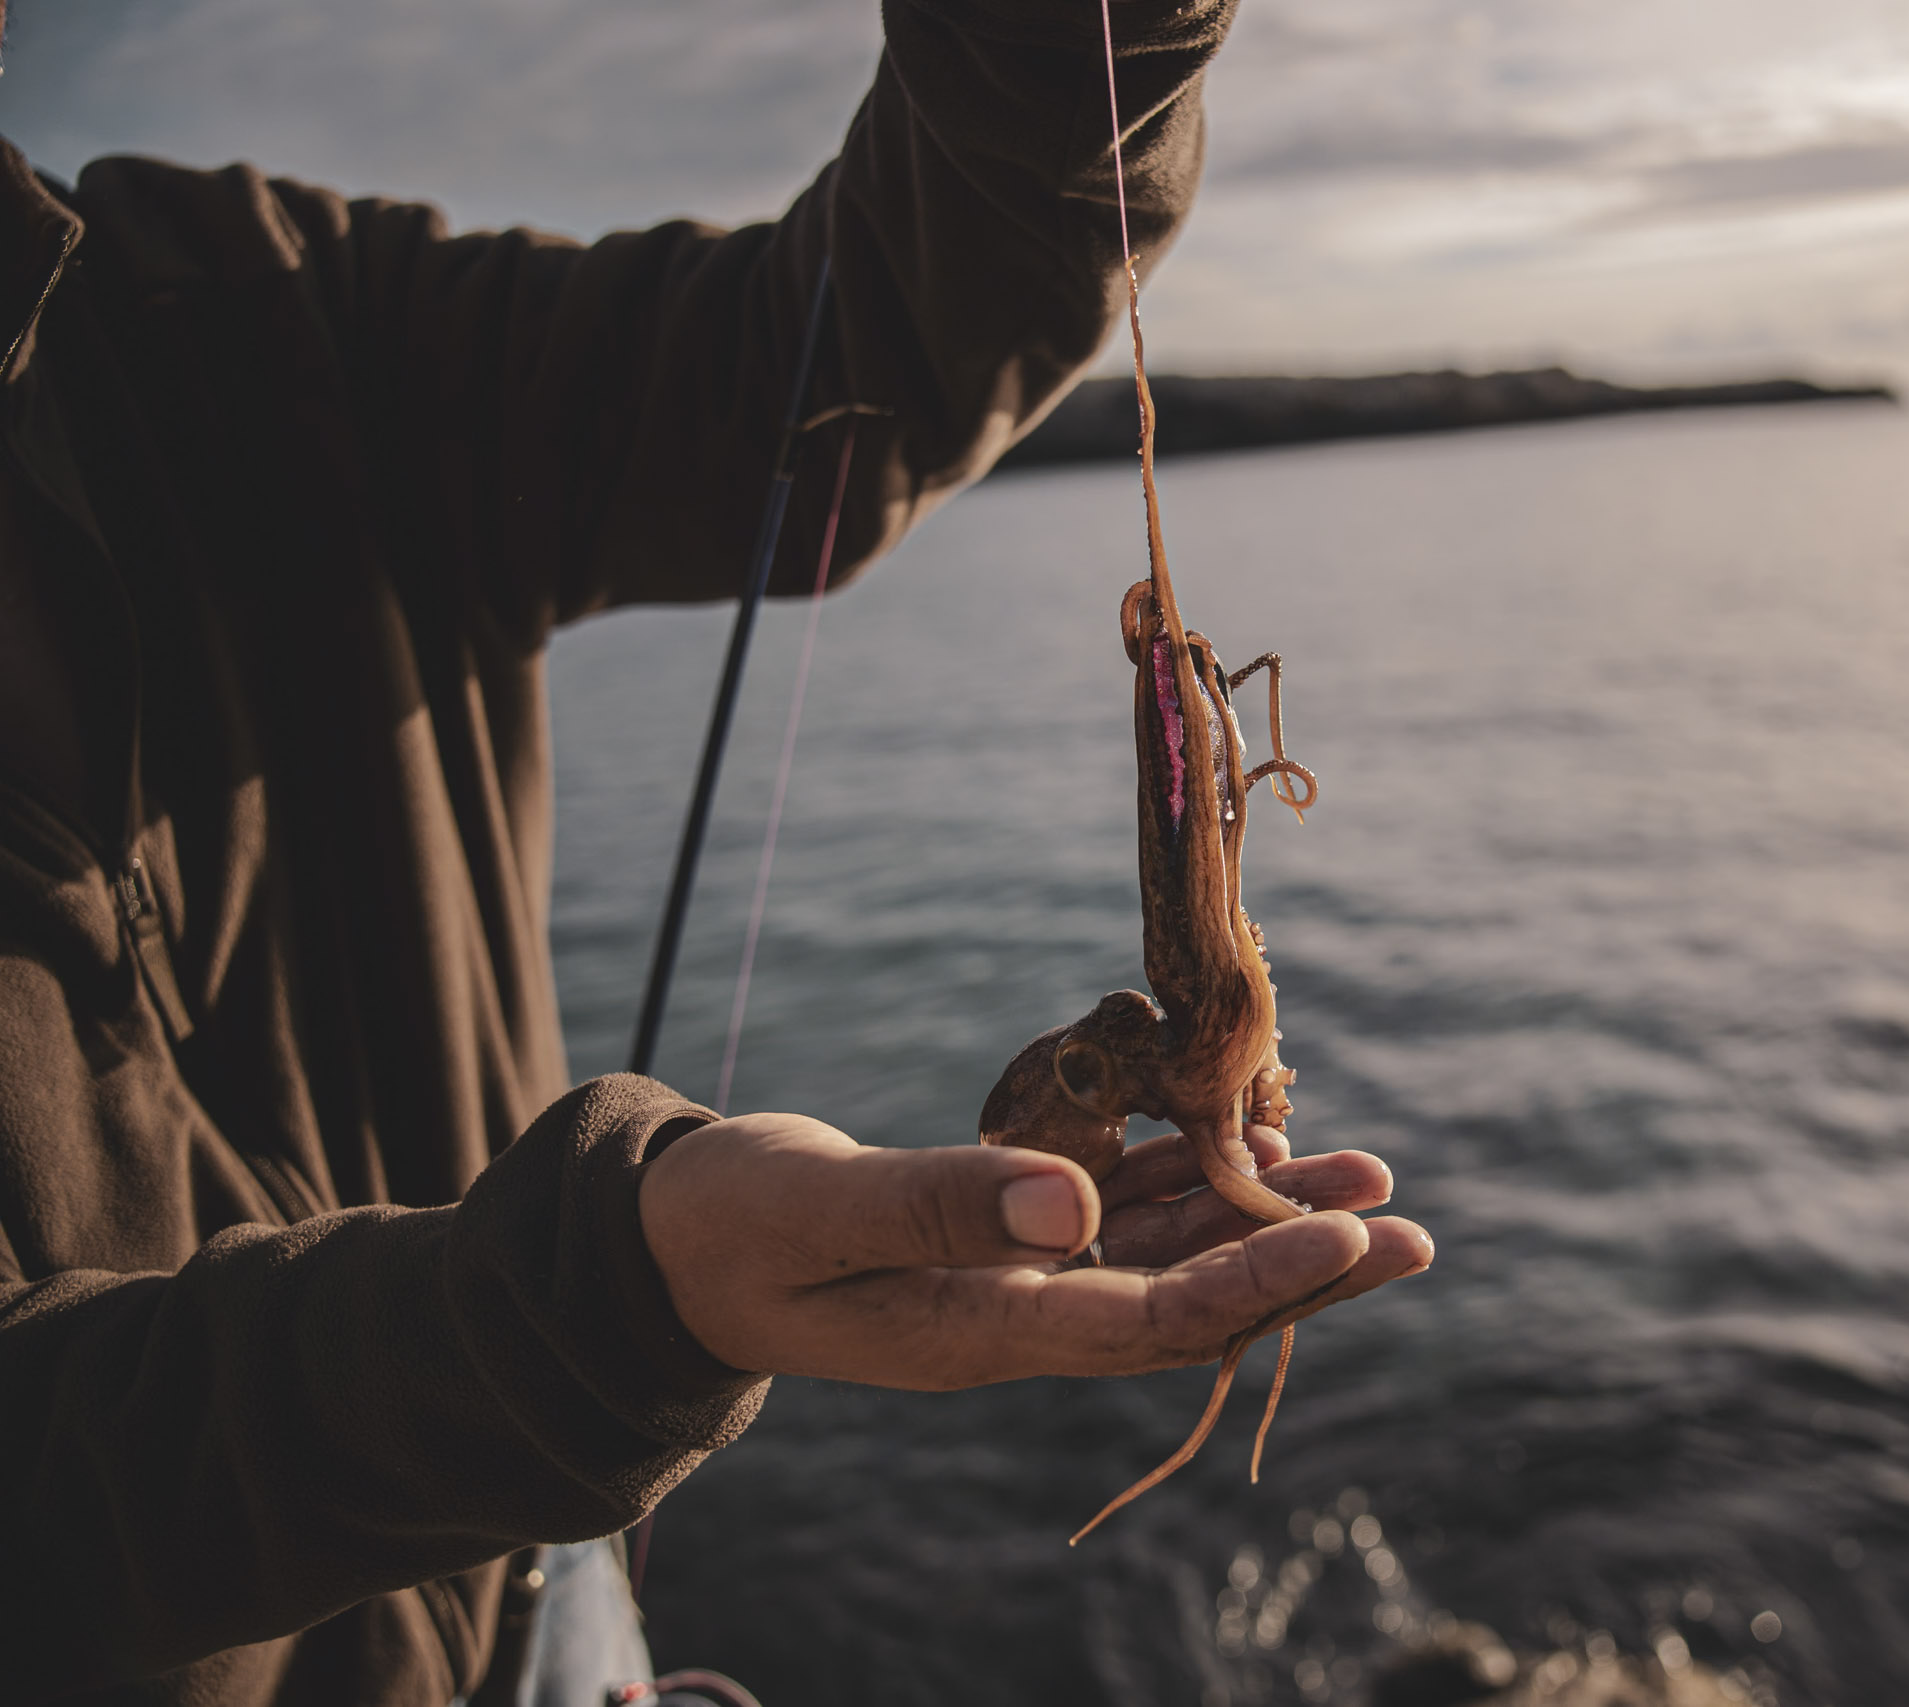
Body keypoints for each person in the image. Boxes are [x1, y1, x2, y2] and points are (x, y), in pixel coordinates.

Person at [0, 0, 1434, 1699]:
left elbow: (858, 337)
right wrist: (593, 1303)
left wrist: (1076, 34)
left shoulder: (244, 311)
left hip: (549, 1596)